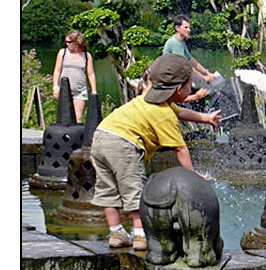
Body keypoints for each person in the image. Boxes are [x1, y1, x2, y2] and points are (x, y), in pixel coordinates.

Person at [90, 55, 221, 250]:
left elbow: (181, 112)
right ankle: (141, 235)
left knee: (108, 189)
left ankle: (116, 233)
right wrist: (192, 176)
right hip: (123, 144)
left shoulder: (149, 100)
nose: (192, 89)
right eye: (190, 85)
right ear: (179, 89)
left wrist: (206, 118)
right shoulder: (163, 114)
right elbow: (179, 148)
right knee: (135, 189)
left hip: (101, 137)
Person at [162, 14, 216, 103]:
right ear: (177, 28)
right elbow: (185, 65)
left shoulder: (181, 42)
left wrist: (207, 72)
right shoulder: (174, 42)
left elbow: (191, 60)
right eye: (186, 27)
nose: (189, 30)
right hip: (170, 78)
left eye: (189, 28)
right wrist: (203, 77)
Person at [52, 30, 97, 123]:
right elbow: (57, 71)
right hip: (64, 90)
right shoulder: (63, 53)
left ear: (77, 42)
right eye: (66, 42)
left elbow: (91, 74)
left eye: (69, 42)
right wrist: (55, 87)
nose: (67, 44)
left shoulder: (86, 55)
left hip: (80, 90)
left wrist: (94, 91)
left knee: (78, 118)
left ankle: (77, 132)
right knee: (65, 117)